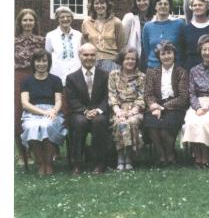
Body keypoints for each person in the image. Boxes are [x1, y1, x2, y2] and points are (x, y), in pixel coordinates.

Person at [65, 43, 111, 175]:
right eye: (86, 54)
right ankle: (77, 163)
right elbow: (72, 100)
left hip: (99, 111)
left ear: (96, 56)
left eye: (92, 55)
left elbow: (108, 97)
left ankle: (99, 162)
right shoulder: (72, 78)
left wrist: (97, 110)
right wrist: (85, 111)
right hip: (79, 112)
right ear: (80, 56)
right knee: (80, 122)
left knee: (99, 122)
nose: (89, 57)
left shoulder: (105, 75)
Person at [20, 49, 67, 176]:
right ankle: (41, 163)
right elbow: (25, 103)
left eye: (44, 61)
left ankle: (49, 163)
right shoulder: (26, 81)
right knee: (31, 127)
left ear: (49, 62)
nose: (41, 64)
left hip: (52, 111)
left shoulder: (55, 80)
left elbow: (58, 101)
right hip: (32, 112)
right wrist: (43, 112)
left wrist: (53, 111)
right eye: (38, 61)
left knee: (47, 125)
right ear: (33, 63)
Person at [181, 35, 209, 169]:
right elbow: (191, 93)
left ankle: (205, 157)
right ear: (200, 51)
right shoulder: (194, 70)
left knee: (204, 123)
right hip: (198, 103)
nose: (207, 53)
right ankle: (197, 155)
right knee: (192, 121)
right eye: (204, 50)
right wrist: (198, 107)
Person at [143, 40, 189, 166]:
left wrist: (162, 107)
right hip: (156, 105)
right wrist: (153, 105)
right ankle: (161, 155)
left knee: (164, 129)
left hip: (175, 106)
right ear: (159, 56)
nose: (166, 56)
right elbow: (148, 94)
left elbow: (183, 97)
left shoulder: (181, 72)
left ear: (174, 54)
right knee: (151, 124)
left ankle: (170, 153)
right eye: (163, 54)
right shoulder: (152, 72)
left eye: (169, 53)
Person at [108, 47, 146, 171]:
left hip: (135, 110)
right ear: (122, 60)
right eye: (127, 59)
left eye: (133, 59)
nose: (130, 61)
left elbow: (141, 97)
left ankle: (128, 157)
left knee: (131, 122)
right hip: (117, 109)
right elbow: (112, 94)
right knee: (120, 122)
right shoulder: (113, 75)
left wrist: (132, 112)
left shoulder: (141, 77)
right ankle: (120, 156)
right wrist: (118, 111)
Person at [15, 8, 45, 157]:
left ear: (35, 22)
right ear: (20, 22)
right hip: (17, 78)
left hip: (36, 78)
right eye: (25, 20)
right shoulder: (12, 41)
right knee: (17, 113)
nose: (28, 23)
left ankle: (36, 150)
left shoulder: (41, 41)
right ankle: (22, 154)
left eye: (30, 20)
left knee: (35, 112)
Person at [81, 0, 126, 72]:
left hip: (111, 62)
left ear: (107, 5)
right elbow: (84, 44)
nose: (99, 6)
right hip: (92, 62)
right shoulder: (86, 22)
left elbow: (121, 46)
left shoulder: (116, 22)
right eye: (96, 3)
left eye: (102, 3)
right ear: (92, 6)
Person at [142, 0, 186, 68]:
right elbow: (147, 50)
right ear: (155, 6)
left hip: (174, 69)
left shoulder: (179, 24)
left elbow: (183, 48)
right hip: (153, 68)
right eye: (160, 4)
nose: (163, 6)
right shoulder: (148, 26)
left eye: (166, 4)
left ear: (170, 7)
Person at [183, 0, 209, 69]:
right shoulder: (186, 29)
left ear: (207, 7)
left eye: (200, 5)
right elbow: (183, 52)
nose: (197, 7)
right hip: (190, 70)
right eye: (194, 5)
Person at [45, 6, 82, 85]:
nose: (65, 19)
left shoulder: (79, 35)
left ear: (71, 18)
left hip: (76, 76)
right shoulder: (50, 35)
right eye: (62, 17)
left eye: (68, 16)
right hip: (57, 75)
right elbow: (47, 56)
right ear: (58, 19)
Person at [122, 0, 154, 71]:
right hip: (135, 59)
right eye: (138, 0)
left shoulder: (155, 18)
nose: (142, 3)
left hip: (152, 59)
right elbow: (122, 42)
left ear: (150, 0)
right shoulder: (130, 18)